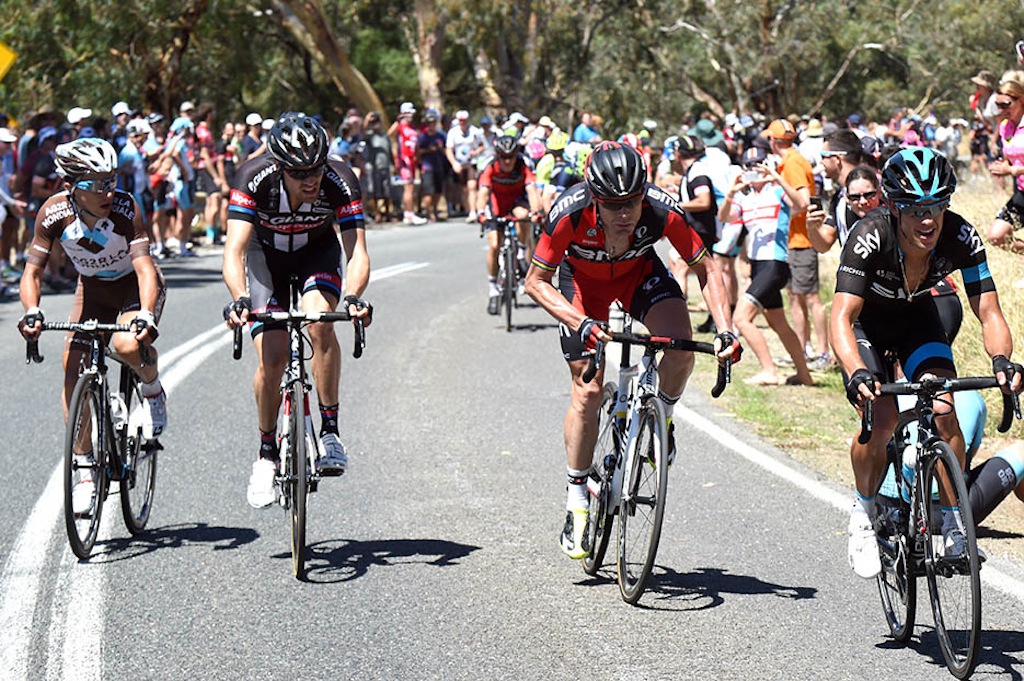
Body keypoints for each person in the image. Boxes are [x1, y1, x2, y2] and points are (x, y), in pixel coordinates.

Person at [523, 141, 741, 559]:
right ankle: (576, 498)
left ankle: (664, 418)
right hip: (580, 287)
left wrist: (727, 330)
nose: (624, 214)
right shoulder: (568, 212)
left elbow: (706, 268)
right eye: (612, 205)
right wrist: (579, 322)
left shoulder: (661, 209)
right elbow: (535, 281)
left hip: (640, 277)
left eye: (632, 203)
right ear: (593, 197)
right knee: (587, 390)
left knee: (681, 349)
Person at [830, 147, 1023, 579]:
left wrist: (1001, 360)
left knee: (943, 410)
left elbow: (988, 310)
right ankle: (864, 513)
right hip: (868, 327)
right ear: (894, 207)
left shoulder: (960, 235)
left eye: (937, 206)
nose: (928, 220)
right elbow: (841, 316)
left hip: (918, 321)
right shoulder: (869, 235)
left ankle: (954, 523)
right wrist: (857, 371)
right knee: (879, 419)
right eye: (915, 209)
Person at [222, 112, 372, 509]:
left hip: (315, 254)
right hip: (265, 257)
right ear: (279, 167)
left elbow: (356, 251)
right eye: (299, 172)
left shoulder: (340, 179)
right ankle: (266, 454)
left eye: (317, 169)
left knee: (320, 322)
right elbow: (234, 251)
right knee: (273, 358)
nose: (311, 179)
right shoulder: (254, 177)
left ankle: (331, 431)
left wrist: (355, 297)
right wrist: (239, 298)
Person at [17, 138, 167, 508]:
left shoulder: (124, 208)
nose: (107, 190)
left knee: (128, 345)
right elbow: (32, 272)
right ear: (69, 186)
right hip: (93, 290)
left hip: (133, 286)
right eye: (95, 183)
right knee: (72, 372)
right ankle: (85, 469)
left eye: (111, 180)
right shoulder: (53, 213)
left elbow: (145, 268)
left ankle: (151, 389)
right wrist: (32, 311)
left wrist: (146, 314)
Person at [718, 146, 812, 386]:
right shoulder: (745, 198)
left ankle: (769, 370)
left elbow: (801, 202)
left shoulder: (778, 192)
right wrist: (732, 190)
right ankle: (804, 375)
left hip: (775, 265)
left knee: (740, 319)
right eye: (749, 165)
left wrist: (777, 176)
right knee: (778, 323)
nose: (754, 169)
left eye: (758, 163)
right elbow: (723, 217)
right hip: (760, 266)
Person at [763, 118, 827, 367]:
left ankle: (823, 353)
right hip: (792, 240)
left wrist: (777, 180)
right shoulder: (788, 162)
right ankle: (802, 351)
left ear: (774, 141)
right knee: (795, 297)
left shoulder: (792, 163)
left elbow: (801, 202)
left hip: (803, 240)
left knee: (810, 298)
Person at [477, 134, 543, 315]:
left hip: (516, 201)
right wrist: (480, 213)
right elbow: (483, 192)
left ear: (516, 155)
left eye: (511, 157)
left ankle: (521, 252)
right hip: (496, 203)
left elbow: (532, 190)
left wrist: (536, 212)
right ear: (498, 156)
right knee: (494, 244)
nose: (507, 161)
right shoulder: (490, 165)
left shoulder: (524, 164)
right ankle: (492, 288)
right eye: (503, 157)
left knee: (524, 216)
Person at [985, 76, 1024, 253]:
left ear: (1021, 100)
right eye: (998, 105)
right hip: (1021, 192)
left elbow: (1015, 166)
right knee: (996, 236)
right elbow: (1011, 157)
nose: (1001, 110)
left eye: (1006, 104)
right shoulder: (1005, 127)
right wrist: (1003, 167)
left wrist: (1014, 170)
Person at [446, 110, 485, 223]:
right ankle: (468, 209)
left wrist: (476, 152)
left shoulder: (475, 131)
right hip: (459, 162)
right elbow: (449, 149)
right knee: (463, 189)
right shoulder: (453, 132)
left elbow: (481, 145)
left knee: (472, 186)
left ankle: (474, 211)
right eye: (460, 121)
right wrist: (454, 163)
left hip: (471, 162)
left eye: (464, 120)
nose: (462, 122)